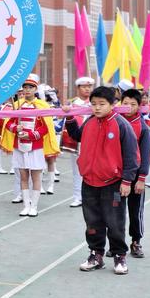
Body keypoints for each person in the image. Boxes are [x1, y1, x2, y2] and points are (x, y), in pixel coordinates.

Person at [63, 86, 139, 275]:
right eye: (94, 104)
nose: (97, 108)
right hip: (89, 181)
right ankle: (96, 254)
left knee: (115, 222)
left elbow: (132, 155)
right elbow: (76, 136)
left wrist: (127, 181)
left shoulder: (121, 125)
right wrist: (70, 117)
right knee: (92, 222)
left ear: (113, 104)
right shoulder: (89, 121)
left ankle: (119, 256)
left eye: (101, 104)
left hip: (113, 182)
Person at [1, 74, 59, 217]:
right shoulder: (17, 105)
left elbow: (46, 127)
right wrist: (16, 128)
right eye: (25, 88)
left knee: (36, 177)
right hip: (19, 145)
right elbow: (8, 123)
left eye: (30, 87)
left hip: (35, 147)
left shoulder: (42, 105)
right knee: (23, 177)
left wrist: (32, 135)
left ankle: (34, 206)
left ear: (35, 89)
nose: (27, 90)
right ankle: (26, 205)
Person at [117, 89, 150, 259]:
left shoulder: (142, 127)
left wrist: (142, 178)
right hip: (116, 177)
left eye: (133, 104)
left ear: (139, 106)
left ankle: (136, 241)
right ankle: (116, 243)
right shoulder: (114, 122)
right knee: (115, 208)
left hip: (136, 177)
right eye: (125, 103)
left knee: (135, 210)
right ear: (119, 103)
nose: (128, 107)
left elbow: (145, 154)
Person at [61, 76, 95, 208]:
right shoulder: (72, 104)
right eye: (84, 86)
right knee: (77, 171)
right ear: (78, 88)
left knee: (93, 170)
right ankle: (77, 196)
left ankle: (90, 197)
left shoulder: (95, 103)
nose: (87, 89)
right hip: (78, 141)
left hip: (93, 141)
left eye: (89, 86)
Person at [0, 100, 13, 174]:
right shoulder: (1, 106)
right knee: (1, 148)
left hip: (5, 129)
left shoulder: (4, 106)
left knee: (10, 148)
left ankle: (11, 168)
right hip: (1, 129)